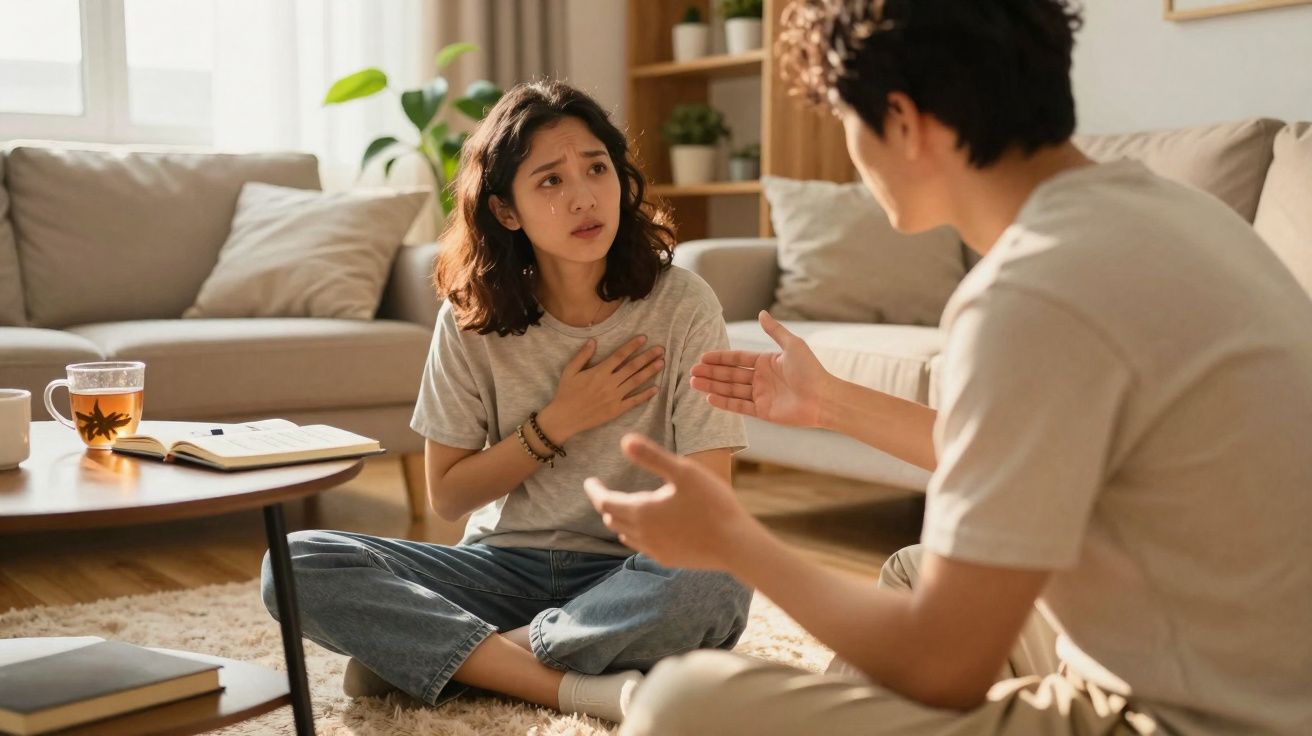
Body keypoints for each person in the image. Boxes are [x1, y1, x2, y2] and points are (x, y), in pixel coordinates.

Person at [583, 1, 1312, 734]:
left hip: (1188, 718)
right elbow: (1024, 452)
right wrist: (830, 402)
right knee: (913, 574)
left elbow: (944, 664)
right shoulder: (1176, 214)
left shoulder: (1034, 290)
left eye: (846, 119)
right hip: (1250, 669)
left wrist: (737, 542)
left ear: (902, 120)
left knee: (683, 707)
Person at [260, 79, 752, 724]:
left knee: (718, 577)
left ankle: (453, 661)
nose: (583, 196)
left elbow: (709, 501)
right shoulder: (472, 319)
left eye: (597, 168)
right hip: (497, 571)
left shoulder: (683, 303)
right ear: (506, 210)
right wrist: (556, 424)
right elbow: (449, 495)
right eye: (550, 180)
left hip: (629, 574)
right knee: (294, 564)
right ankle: (560, 682)